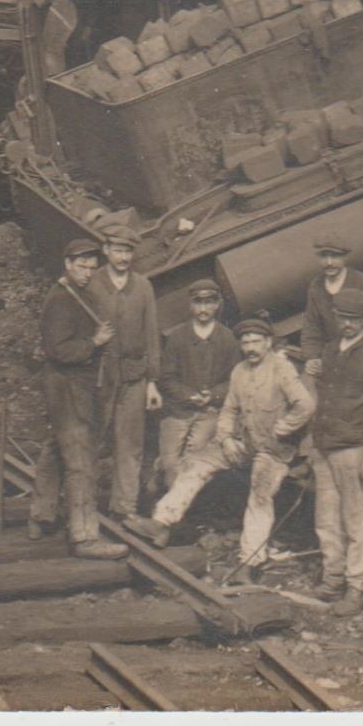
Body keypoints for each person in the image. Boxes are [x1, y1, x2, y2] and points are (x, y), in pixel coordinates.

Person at [126, 316, 313, 583]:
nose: (250, 348)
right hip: (244, 443)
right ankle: (161, 523)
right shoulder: (239, 371)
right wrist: (225, 438)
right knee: (194, 464)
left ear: (268, 343)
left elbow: (305, 405)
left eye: (256, 342)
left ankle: (249, 563)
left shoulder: (281, 369)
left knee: (260, 495)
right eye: (246, 342)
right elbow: (228, 410)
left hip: (273, 450)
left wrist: (284, 428)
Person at [27, 239, 129, 560]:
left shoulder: (81, 294)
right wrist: (94, 342)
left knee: (59, 447)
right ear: (67, 265)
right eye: (80, 266)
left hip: (78, 387)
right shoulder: (60, 299)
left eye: (91, 267)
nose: (86, 272)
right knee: (81, 460)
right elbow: (58, 349)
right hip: (66, 388)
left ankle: (40, 514)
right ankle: (85, 537)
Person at [307, 288, 363, 618]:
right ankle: (333, 578)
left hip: (353, 447)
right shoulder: (329, 350)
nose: (348, 324)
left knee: (356, 519)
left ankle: (356, 587)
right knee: (326, 518)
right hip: (325, 446)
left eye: (354, 319)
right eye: (343, 318)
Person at [89, 224, 162, 519]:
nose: (123, 257)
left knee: (130, 443)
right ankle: (83, 505)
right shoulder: (91, 283)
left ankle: (124, 508)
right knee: (92, 439)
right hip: (98, 374)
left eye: (128, 251)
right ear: (106, 250)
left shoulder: (143, 286)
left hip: (134, 375)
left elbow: (151, 335)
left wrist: (152, 381)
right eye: (118, 250)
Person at [154, 280, 239, 490]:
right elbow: (167, 377)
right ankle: (161, 484)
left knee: (194, 459)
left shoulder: (227, 339)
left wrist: (213, 396)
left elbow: (234, 379)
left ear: (217, 305)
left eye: (209, 303)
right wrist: (189, 395)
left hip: (208, 412)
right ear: (190, 306)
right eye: (198, 303)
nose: (203, 309)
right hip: (177, 410)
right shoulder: (177, 337)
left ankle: (174, 512)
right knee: (170, 462)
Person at [299, 231, 363, 383]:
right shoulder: (316, 287)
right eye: (324, 256)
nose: (329, 262)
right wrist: (312, 358)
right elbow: (311, 328)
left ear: (345, 257)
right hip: (331, 359)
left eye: (335, 256)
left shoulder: (362, 283)